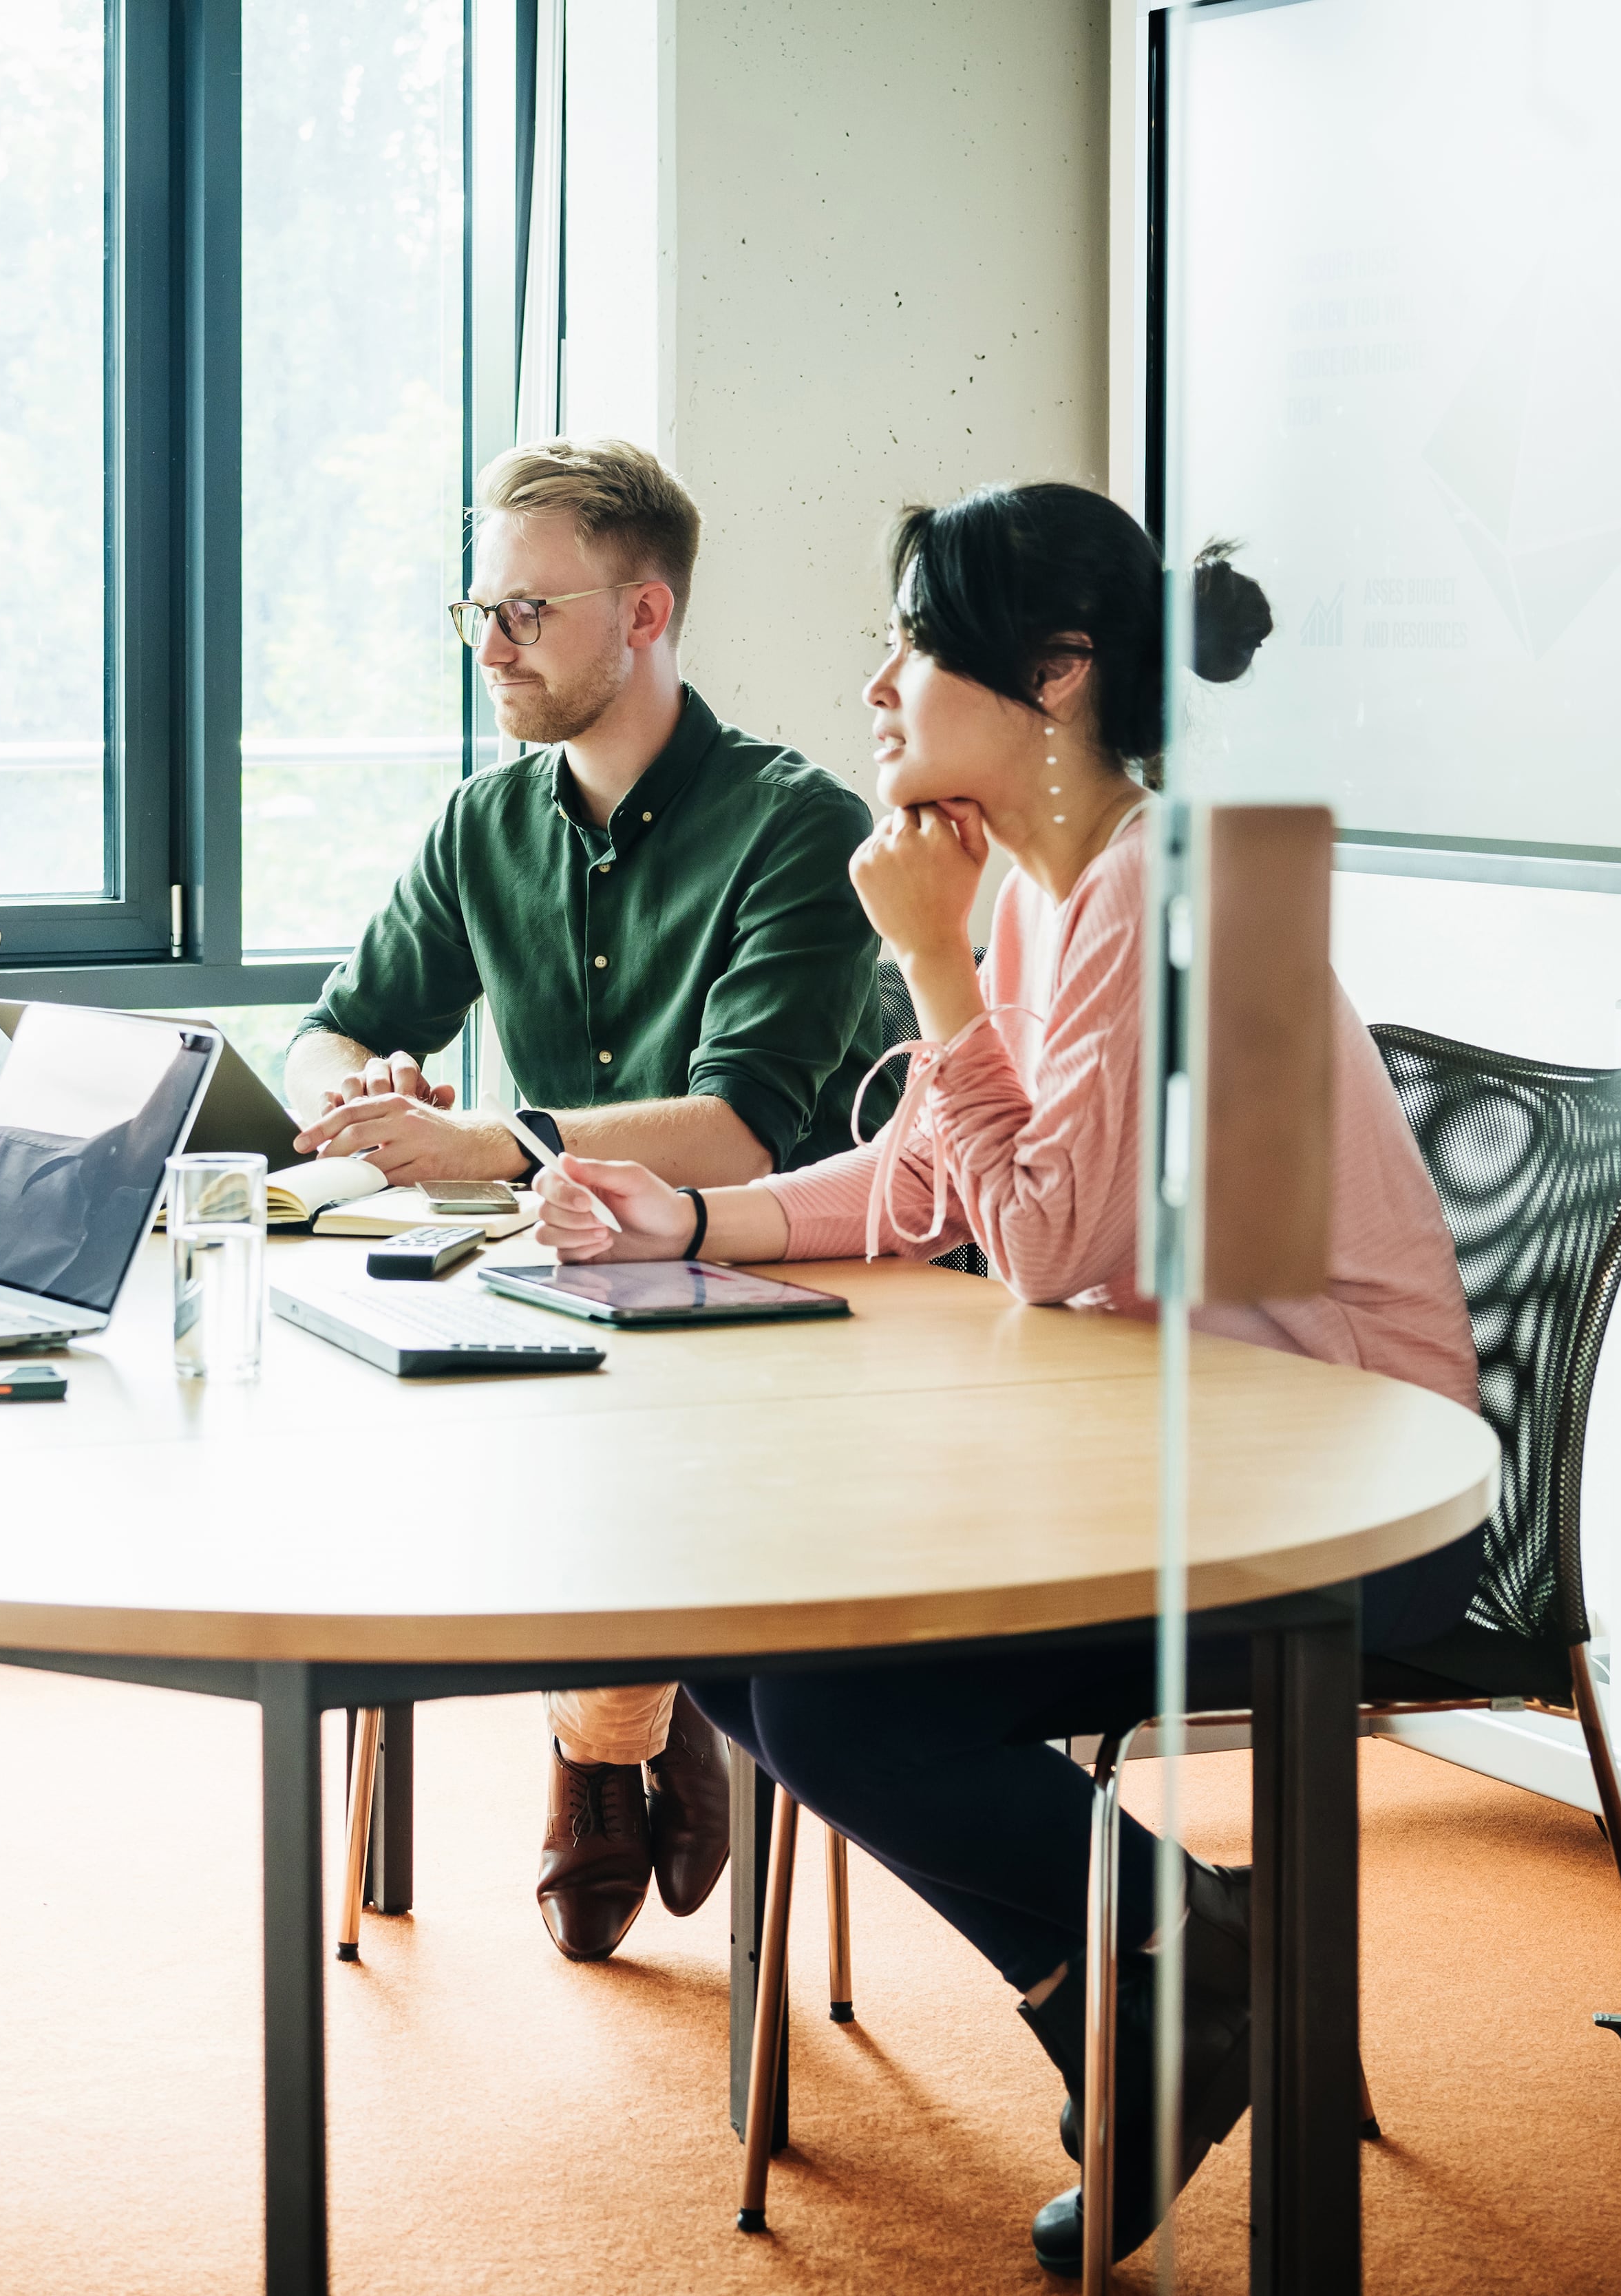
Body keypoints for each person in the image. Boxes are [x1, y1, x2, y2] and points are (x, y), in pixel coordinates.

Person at [531, 481, 1479, 2278]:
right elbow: (925, 1183)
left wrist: (931, 964)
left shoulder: (1177, 890)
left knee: (832, 1700)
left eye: (912, 640)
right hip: (1170, 1453)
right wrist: (698, 1214)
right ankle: (1146, 1988)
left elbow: (1042, 1244)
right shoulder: (1044, 878)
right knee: (746, 1636)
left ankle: (1158, 1989)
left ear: (1051, 676)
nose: (877, 685)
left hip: (1338, 1500)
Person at [284, 437, 883, 1964]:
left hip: (782, 1300)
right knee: (387, 1388)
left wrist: (501, 1140)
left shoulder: (797, 827)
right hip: (564, 1273)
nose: (489, 647)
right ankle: (632, 1709)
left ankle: (597, 1739)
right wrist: (356, 1097)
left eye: (526, 613)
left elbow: (746, 1131)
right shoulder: (482, 822)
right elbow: (328, 1024)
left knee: (590, 1435)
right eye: (475, 612)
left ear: (644, 613)